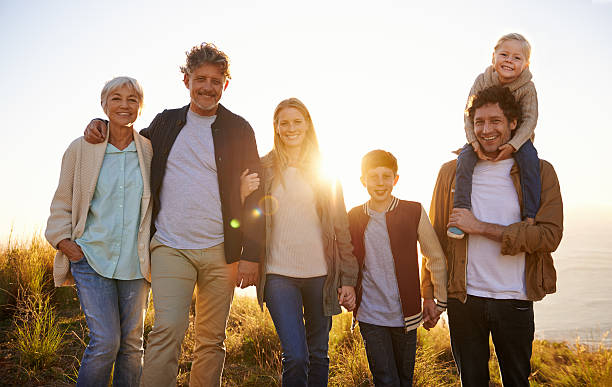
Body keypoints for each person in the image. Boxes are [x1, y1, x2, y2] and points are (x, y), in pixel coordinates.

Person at [83, 43, 264, 387]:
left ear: (226, 83)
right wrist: (100, 123)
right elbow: (128, 142)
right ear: (186, 80)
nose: (207, 86)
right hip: (169, 247)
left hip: (222, 251)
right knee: (167, 330)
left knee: (212, 339)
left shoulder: (240, 129)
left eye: (216, 80)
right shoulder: (166, 122)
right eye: (200, 79)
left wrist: (251, 255)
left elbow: (256, 196)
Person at [423, 85, 563, 386]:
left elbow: (549, 236)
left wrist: (481, 227)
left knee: (516, 380)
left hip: (515, 299)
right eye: (479, 122)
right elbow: (434, 241)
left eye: (495, 121)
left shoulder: (539, 172)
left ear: (513, 123)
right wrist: (429, 293)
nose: (486, 130)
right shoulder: (451, 172)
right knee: (471, 381)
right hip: (465, 299)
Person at [240, 97, 358, 387]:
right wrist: (241, 196)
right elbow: (249, 218)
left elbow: (341, 227)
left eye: (297, 121)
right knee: (295, 355)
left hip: (321, 276)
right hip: (278, 274)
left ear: (307, 125)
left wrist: (348, 278)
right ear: (276, 128)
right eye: (284, 122)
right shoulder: (263, 167)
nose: (290, 128)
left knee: (318, 354)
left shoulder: (325, 170)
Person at [45, 76, 153, 386]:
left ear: (140, 108)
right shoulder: (81, 148)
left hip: (136, 264)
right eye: (116, 98)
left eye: (132, 99)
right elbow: (63, 200)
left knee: (132, 347)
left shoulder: (148, 150)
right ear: (103, 104)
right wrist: (65, 243)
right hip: (91, 258)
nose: (124, 105)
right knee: (106, 341)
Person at [346, 149, 448, 386]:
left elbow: (435, 257)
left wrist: (437, 300)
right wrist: (346, 286)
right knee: (385, 379)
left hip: (407, 316)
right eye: (373, 177)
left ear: (396, 179)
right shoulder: (353, 216)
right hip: (370, 313)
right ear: (363, 181)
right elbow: (346, 257)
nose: (380, 183)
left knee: (404, 380)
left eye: (386, 176)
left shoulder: (413, 211)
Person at [449, 33, 540, 239]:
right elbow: (468, 114)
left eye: (517, 58)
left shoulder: (527, 87)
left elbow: (530, 120)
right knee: (464, 158)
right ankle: (461, 212)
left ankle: (529, 215)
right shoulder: (483, 80)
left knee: (530, 161)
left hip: (519, 138)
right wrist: (473, 141)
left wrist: (513, 145)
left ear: (526, 65)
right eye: (504, 54)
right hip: (481, 137)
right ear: (493, 58)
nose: (509, 60)